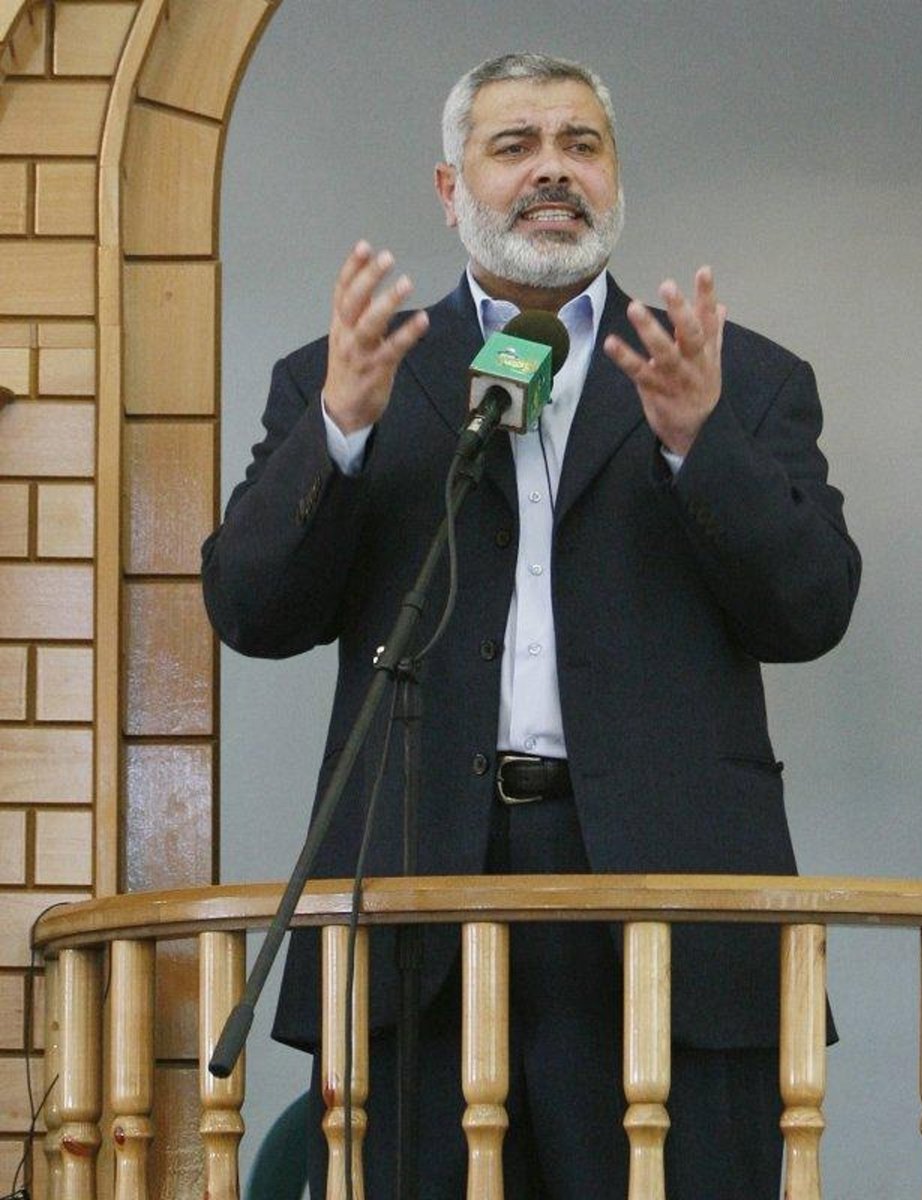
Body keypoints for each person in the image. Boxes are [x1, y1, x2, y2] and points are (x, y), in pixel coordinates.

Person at [202, 52, 860, 1200]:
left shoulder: (737, 378)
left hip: (671, 910)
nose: (552, 170)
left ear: (614, 178)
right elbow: (251, 611)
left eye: (581, 145)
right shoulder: (351, 376)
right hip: (418, 904)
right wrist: (339, 430)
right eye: (514, 146)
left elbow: (811, 609)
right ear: (451, 188)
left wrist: (702, 444)